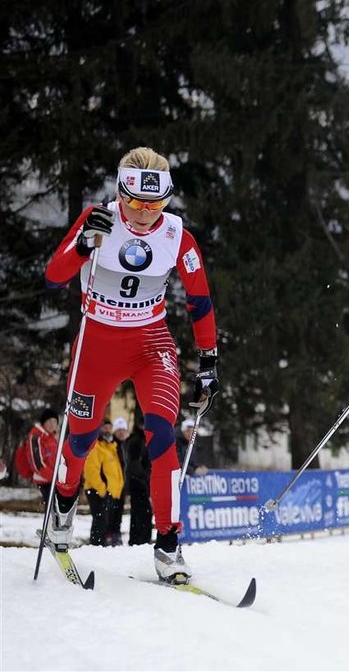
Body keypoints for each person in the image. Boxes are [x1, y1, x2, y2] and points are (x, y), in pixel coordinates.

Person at [44, 146, 220, 582]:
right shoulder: (98, 219)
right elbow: (53, 274)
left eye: (155, 204)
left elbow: (200, 301)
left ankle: (168, 546)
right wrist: (85, 245)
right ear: (121, 195)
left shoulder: (177, 235)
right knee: (81, 441)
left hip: (150, 343)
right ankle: (63, 506)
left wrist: (209, 361)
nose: (144, 215)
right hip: (96, 343)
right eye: (135, 203)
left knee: (162, 433)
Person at [83, 419, 125, 546]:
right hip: (97, 490)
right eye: (104, 427)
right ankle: (96, 546)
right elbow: (91, 470)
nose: (107, 430)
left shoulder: (112, 446)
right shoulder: (96, 446)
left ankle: (103, 546)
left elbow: (117, 470)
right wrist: (102, 489)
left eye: (109, 427)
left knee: (106, 522)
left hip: (111, 492)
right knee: (100, 521)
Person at [19, 408, 60, 502]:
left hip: (53, 479)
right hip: (45, 479)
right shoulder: (36, 436)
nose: (52, 424)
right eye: (49, 421)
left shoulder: (52, 437)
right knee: (52, 508)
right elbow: (37, 463)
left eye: (54, 421)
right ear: (43, 422)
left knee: (57, 509)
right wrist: (53, 477)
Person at [125, 415, 153, 545]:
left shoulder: (143, 439)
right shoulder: (136, 440)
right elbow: (134, 463)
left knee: (142, 513)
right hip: (138, 482)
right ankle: (139, 540)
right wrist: (144, 478)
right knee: (141, 512)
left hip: (141, 481)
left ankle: (140, 539)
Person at [108, 416, 130, 545]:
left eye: (123, 430)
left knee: (119, 512)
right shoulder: (113, 444)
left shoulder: (125, 444)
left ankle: (116, 533)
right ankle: (110, 534)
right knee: (111, 511)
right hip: (113, 484)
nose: (121, 433)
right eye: (119, 430)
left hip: (122, 484)